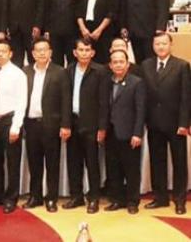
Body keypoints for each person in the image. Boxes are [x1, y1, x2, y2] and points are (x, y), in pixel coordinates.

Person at [141, 33, 189, 215]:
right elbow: (143, 95)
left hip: (176, 124)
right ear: (153, 46)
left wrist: (184, 123)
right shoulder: (146, 65)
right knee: (157, 161)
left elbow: (186, 97)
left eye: (164, 43)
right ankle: (160, 197)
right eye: (157, 44)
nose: (160, 47)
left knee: (179, 162)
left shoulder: (182, 66)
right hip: (154, 123)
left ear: (170, 45)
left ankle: (179, 199)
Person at [23, 37, 71, 213]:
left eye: (45, 50)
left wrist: (65, 125)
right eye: (38, 50)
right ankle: (35, 196)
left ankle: (51, 198)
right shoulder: (25, 71)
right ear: (33, 53)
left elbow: (66, 100)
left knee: (52, 163)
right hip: (31, 124)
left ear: (50, 52)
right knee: (34, 163)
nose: (42, 53)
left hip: (51, 125)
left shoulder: (60, 72)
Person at [63, 39, 109, 214]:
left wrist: (102, 128)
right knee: (74, 162)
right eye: (80, 50)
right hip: (73, 122)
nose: (84, 53)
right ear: (75, 53)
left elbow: (104, 102)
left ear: (92, 53)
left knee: (92, 163)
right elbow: (65, 99)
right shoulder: (68, 70)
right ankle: (76, 196)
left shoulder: (100, 71)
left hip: (92, 124)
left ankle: (94, 198)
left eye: (87, 50)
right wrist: (65, 124)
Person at [0, 40, 27, 214]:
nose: (0, 54)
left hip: (10, 120)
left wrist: (16, 126)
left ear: (10, 53)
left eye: (3, 51)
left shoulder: (18, 74)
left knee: (13, 162)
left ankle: (11, 198)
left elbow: (22, 102)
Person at [105, 49, 145, 214]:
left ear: (128, 64)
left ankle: (132, 201)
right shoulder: (107, 82)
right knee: (114, 168)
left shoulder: (136, 82)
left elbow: (140, 110)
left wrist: (137, 133)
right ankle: (118, 200)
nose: (118, 65)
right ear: (110, 65)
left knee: (131, 169)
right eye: (115, 62)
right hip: (111, 132)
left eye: (121, 61)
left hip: (129, 134)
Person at [44, 0, 84, 67]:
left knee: (73, 62)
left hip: (73, 31)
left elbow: (81, 8)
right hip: (55, 32)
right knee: (56, 63)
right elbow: (46, 9)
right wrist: (46, 29)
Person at [76, 0, 116, 64]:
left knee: (102, 59)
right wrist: (83, 28)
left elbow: (110, 14)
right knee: (86, 58)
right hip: (86, 30)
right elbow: (78, 12)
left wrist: (99, 30)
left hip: (102, 30)